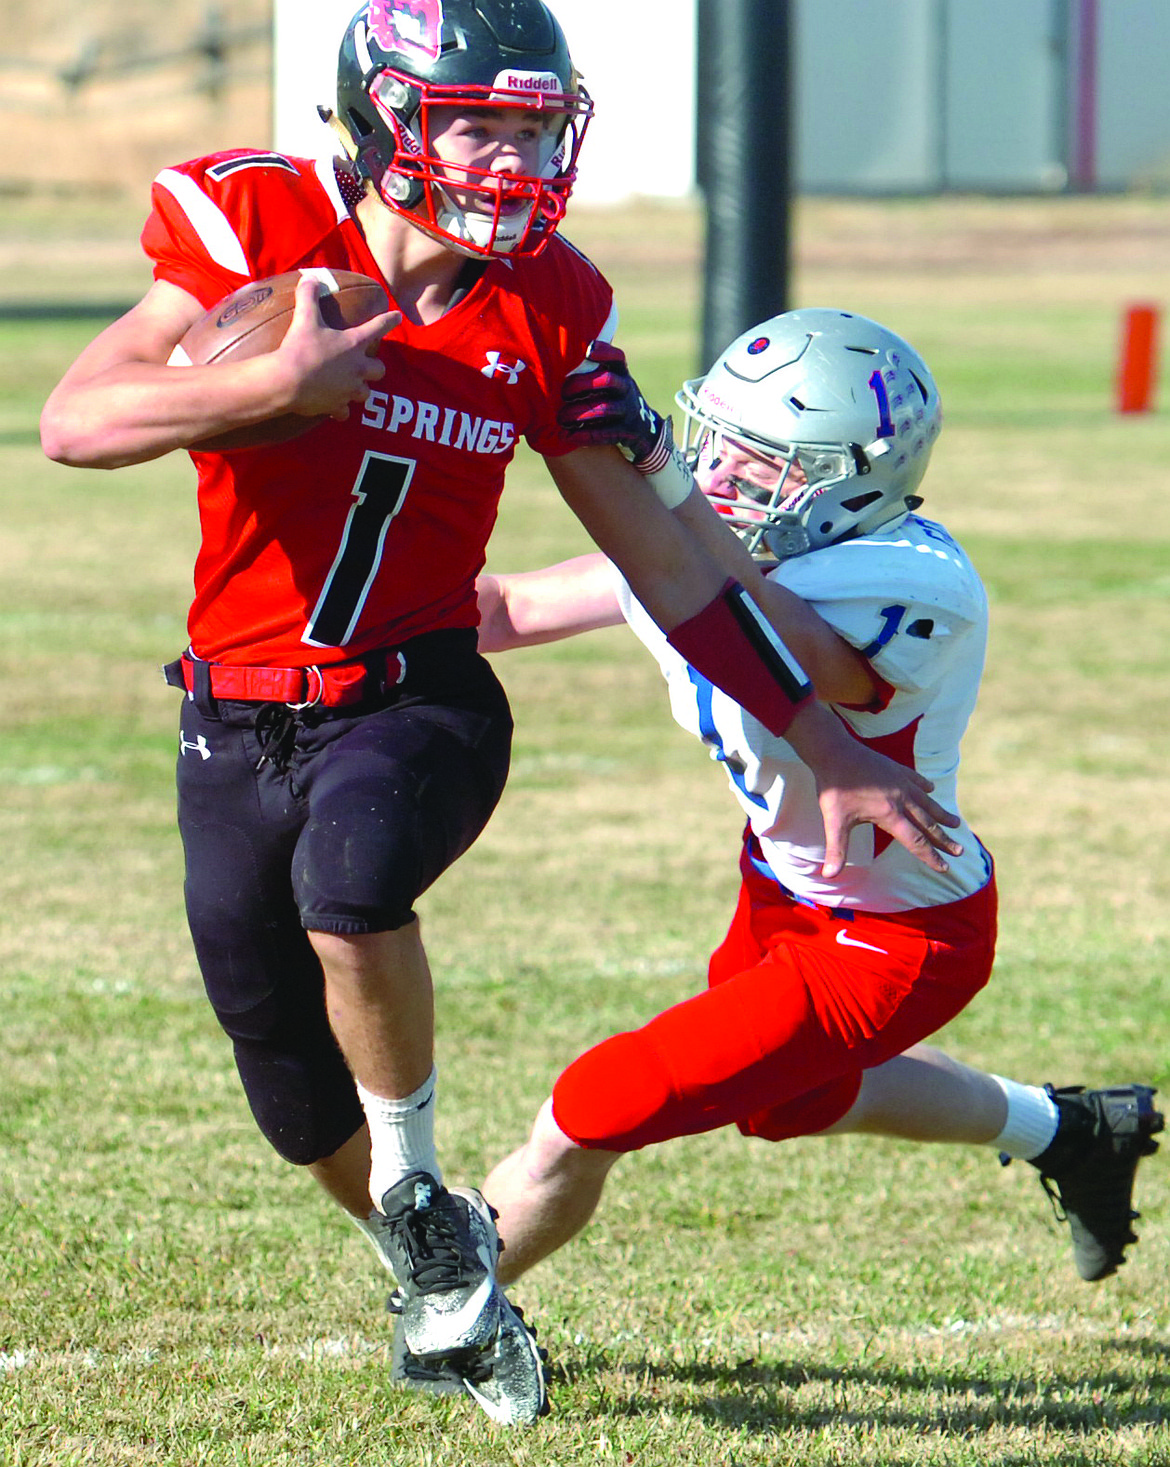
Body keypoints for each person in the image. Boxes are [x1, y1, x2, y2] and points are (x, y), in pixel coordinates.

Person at [37, 3, 965, 1428]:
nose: (513, 154)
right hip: (233, 712)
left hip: (417, 697)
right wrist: (268, 380)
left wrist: (826, 740)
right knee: (283, 1079)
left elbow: (663, 560)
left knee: (350, 891)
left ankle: (420, 1188)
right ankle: (436, 1258)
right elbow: (76, 420)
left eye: (536, 123)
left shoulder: (549, 305)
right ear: (386, 119)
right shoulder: (262, 221)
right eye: (478, 120)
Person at [467, 308, 1163, 1313]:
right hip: (780, 888)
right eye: (713, 446)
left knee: (592, 1109)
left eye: (765, 465)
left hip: (902, 939)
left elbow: (771, 635)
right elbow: (507, 608)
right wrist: (305, 637)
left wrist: (656, 484)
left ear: (856, 486)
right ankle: (1074, 1130)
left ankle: (454, 1313)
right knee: (788, 1107)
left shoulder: (915, 581)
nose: (718, 478)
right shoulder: (699, 545)